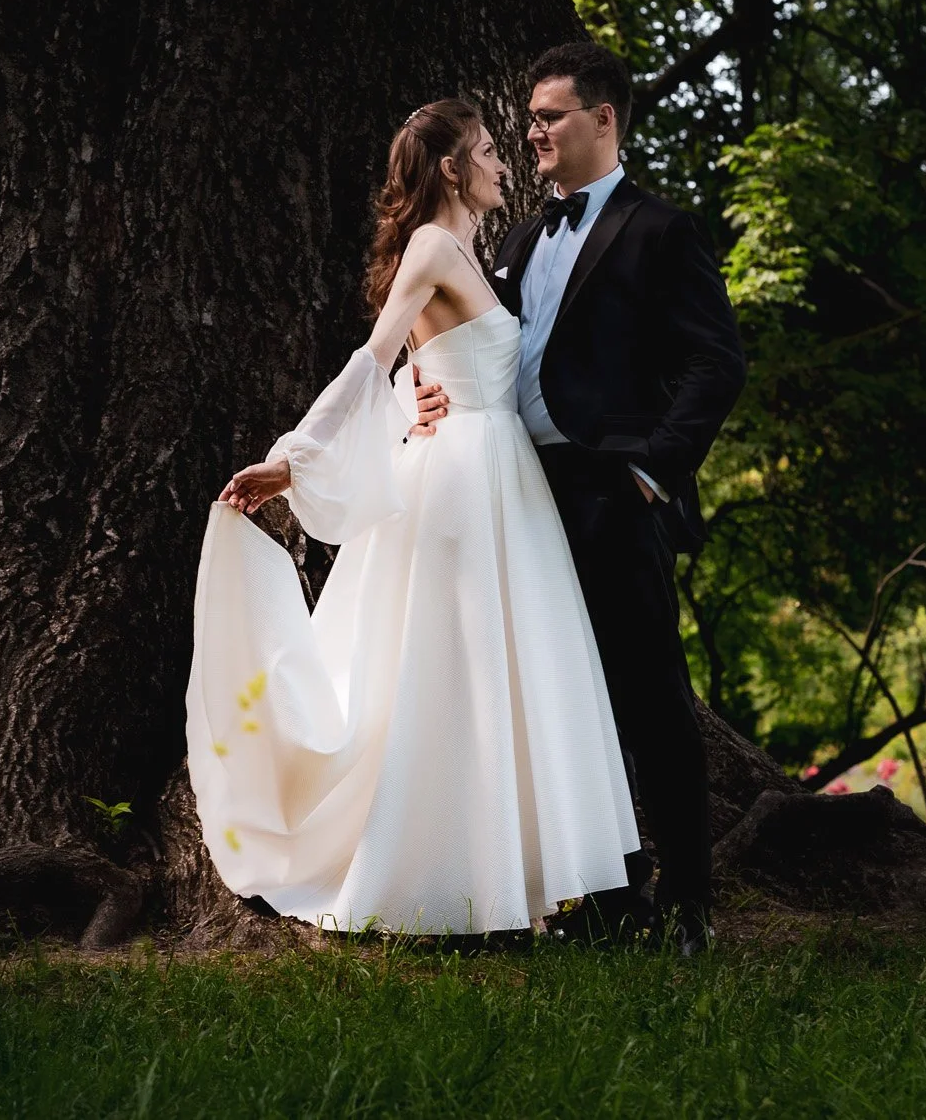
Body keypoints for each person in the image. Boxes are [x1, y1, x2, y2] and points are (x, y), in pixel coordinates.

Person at [187, 99, 642, 939]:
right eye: (484, 151)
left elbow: (433, 364)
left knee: (497, 673)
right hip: (468, 479)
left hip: (499, 472)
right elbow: (377, 355)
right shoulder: (435, 246)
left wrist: (412, 397)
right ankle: (455, 882)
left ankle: (506, 880)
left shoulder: (471, 249)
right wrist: (294, 457)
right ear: (450, 170)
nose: (503, 163)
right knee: (459, 673)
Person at [412, 42, 746, 953]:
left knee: (650, 701)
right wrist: (424, 387)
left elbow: (716, 363)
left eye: (551, 115)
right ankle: (604, 900)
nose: (532, 132)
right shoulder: (518, 239)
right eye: (526, 119)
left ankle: (688, 909)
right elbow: (467, 340)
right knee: (563, 701)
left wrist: (651, 469)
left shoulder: (661, 231)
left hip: (615, 493)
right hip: (522, 497)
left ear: (605, 119)